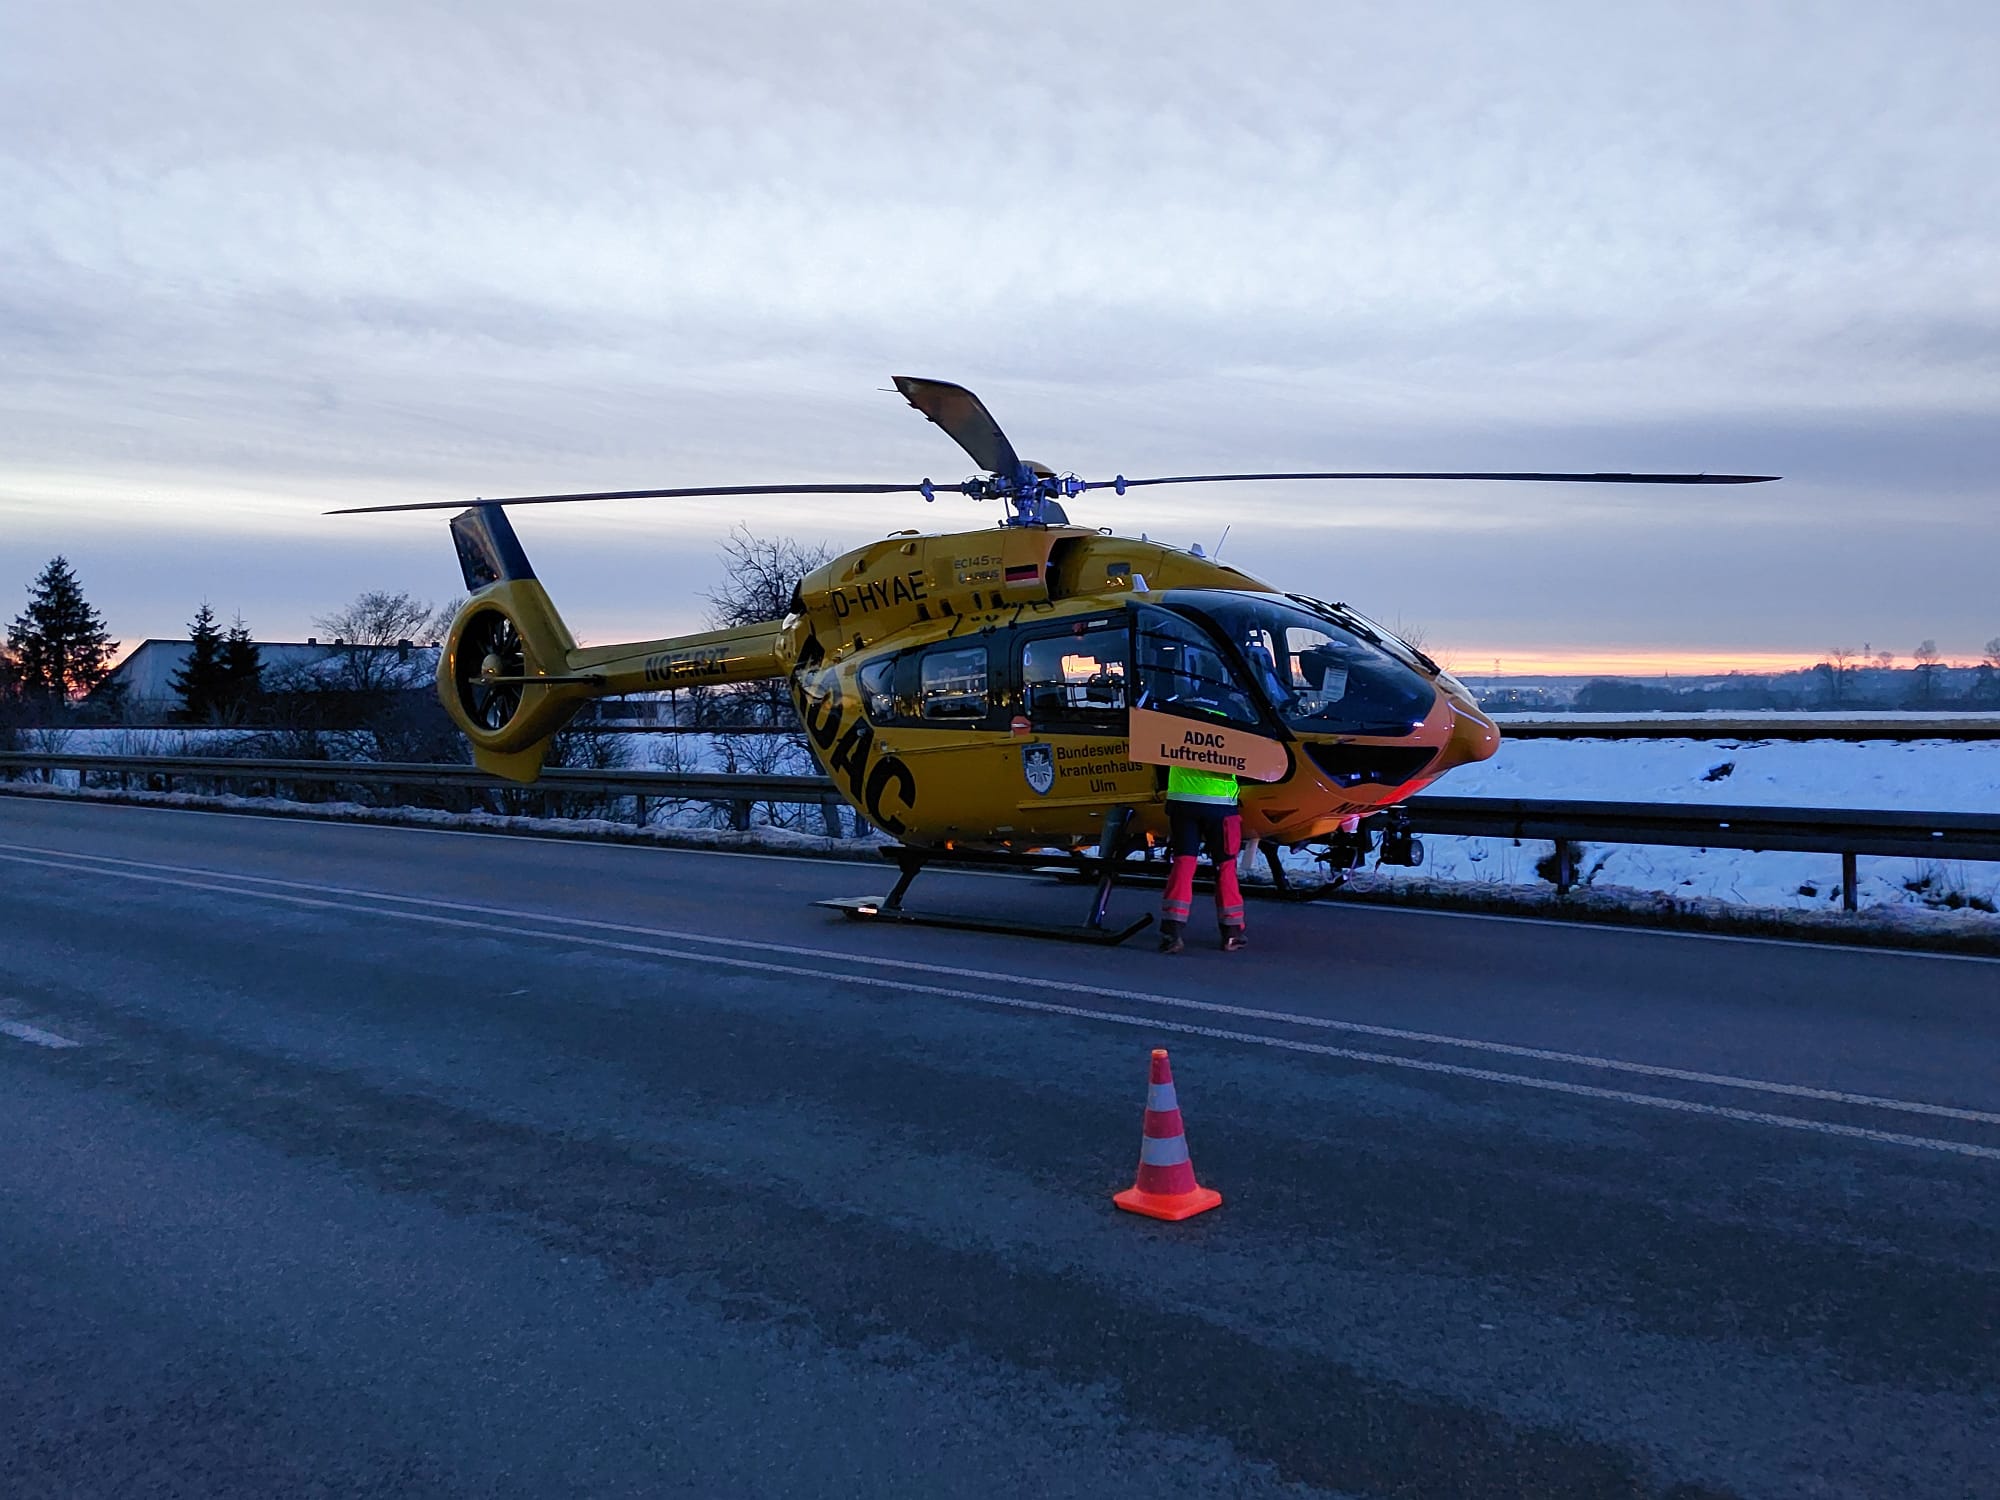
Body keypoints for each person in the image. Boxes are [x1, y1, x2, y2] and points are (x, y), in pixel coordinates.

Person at [1158, 760, 1247, 954]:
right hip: (1220, 804)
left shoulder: (1177, 729)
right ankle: (1231, 933)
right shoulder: (1231, 731)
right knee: (1225, 867)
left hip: (1182, 801)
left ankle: (1172, 932)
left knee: (1184, 864)